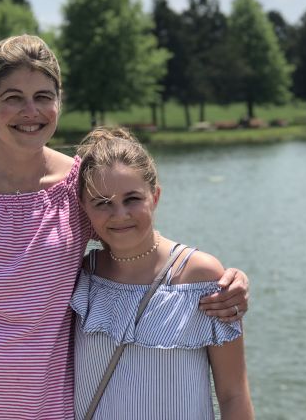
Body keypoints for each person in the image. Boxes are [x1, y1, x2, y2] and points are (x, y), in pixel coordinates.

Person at [0, 35, 249, 420]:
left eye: (43, 96)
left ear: (59, 101)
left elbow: (138, 242)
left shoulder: (79, 187)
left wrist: (223, 279)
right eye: (13, 97)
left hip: (42, 409)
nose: (30, 111)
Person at [71, 127, 253, 419]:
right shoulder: (80, 277)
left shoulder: (201, 276)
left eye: (132, 199)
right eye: (103, 203)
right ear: (84, 207)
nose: (120, 214)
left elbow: (233, 395)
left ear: (154, 196)